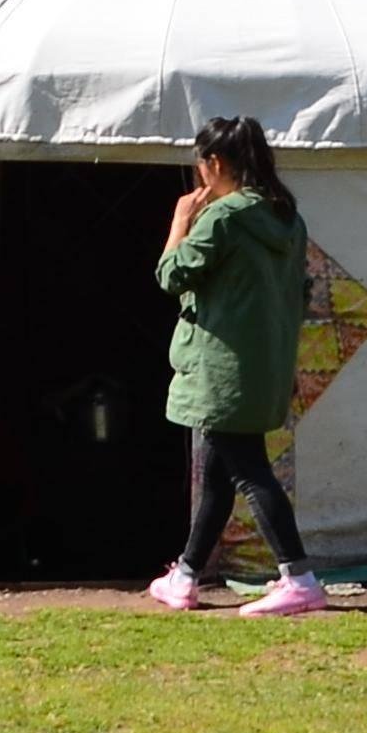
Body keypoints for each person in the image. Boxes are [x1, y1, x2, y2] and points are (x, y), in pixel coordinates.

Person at [149, 114, 324, 615]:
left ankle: (299, 576)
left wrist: (180, 221)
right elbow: (301, 292)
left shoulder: (222, 219)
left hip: (222, 369)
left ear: (216, 163)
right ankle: (184, 576)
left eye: (201, 166)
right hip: (265, 364)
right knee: (221, 475)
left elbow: (171, 274)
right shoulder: (287, 218)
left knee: (248, 471)